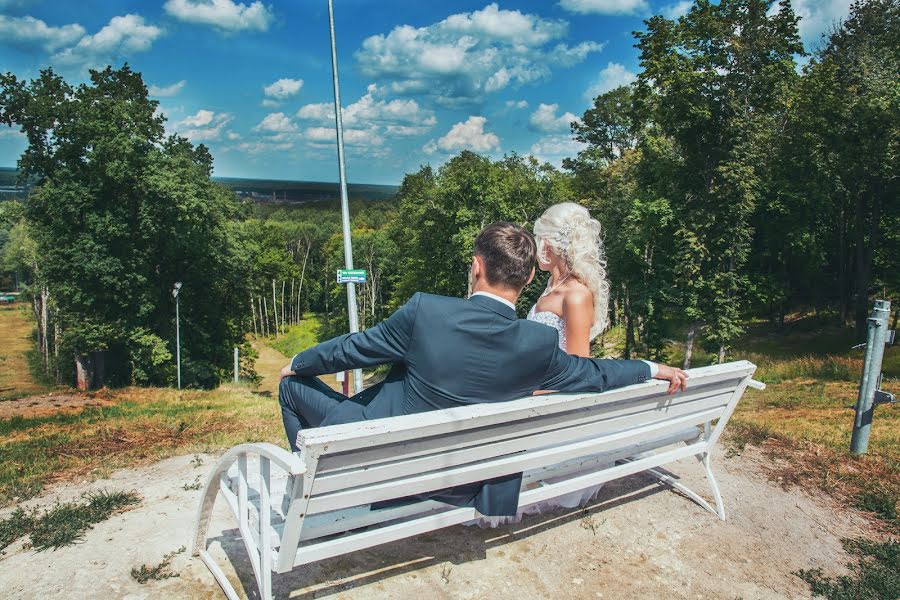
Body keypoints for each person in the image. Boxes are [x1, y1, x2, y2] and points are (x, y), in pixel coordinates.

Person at [278, 222, 688, 518]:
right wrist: (652, 367)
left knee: (293, 388)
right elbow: (597, 373)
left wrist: (296, 363)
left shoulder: (426, 311)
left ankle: (319, 490)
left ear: (476, 266)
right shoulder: (537, 344)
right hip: (468, 481)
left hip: (385, 461)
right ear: (528, 276)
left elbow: (353, 349)